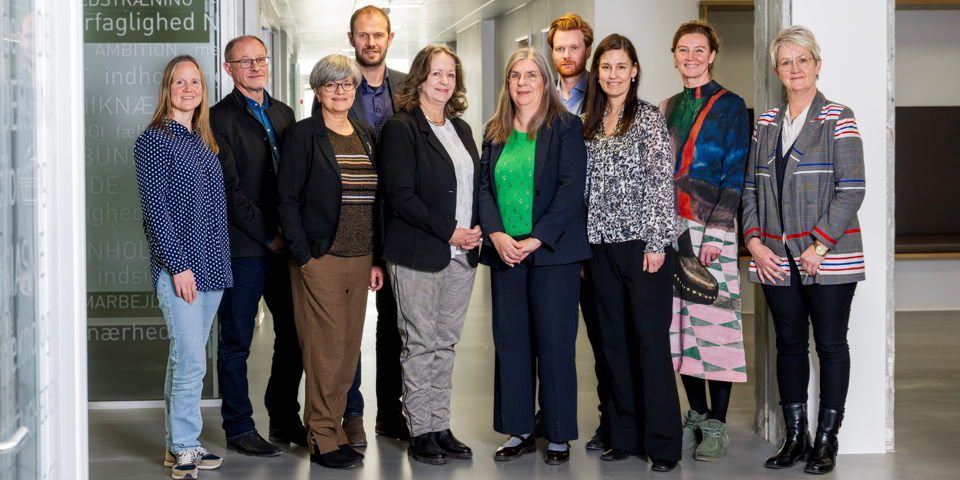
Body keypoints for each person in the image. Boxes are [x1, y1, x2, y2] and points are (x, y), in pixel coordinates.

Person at [743, 25, 865, 475]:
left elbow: (852, 189)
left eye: (803, 60)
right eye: (786, 62)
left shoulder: (838, 116)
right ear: (777, 69)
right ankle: (796, 437)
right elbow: (749, 189)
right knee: (789, 345)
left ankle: (827, 441)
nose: (795, 69)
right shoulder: (767, 123)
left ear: (817, 64)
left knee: (831, 346)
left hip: (827, 257)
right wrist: (753, 241)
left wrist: (820, 245)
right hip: (774, 257)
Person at [480, 47, 591, 466]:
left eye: (531, 75)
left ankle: (558, 434)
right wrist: (496, 234)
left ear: (545, 80)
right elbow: (484, 190)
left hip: (553, 253)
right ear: (507, 83)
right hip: (506, 250)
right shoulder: (494, 129)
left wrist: (537, 238)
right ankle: (520, 429)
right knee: (510, 341)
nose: (522, 83)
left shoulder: (565, 127)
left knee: (555, 342)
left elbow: (569, 189)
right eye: (514, 76)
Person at [276, 54, 385, 470]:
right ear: (318, 91)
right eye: (331, 85)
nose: (340, 91)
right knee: (324, 351)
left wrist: (375, 257)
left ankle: (334, 427)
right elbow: (286, 197)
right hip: (320, 257)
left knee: (347, 351)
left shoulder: (364, 133)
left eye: (347, 84)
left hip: (360, 259)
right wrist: (302, 253)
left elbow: (374, 199)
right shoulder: (303, 135)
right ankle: (321, 437)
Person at [580, 34, 681, 473]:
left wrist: (657, 242)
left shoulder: (648, 118)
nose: (613, 74)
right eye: (605, 67)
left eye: (621, 66)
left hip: (645, 250)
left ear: (634, 70)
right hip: (599, 249)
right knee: (613, 347)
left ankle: (662, 444)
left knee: (650, 345)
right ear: (597, 73)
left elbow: (662, 183)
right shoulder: (588, 122)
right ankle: (622, 436)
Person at [378, 45, 481, 466]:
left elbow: (473, 187)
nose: (444, 82)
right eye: (436, 74)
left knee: (446, 343)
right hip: (419, 252)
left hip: (462, 256)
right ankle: (420, 429)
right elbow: (400, 196)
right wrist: (449, 230)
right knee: (419, 343)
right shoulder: (400, 128)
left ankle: (440, 424)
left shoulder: (461, 128)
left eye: (451, 75)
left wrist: (473, 230)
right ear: (419, 78)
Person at [312, 5, 410, 444]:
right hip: (349, 223)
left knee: (393, 323)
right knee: (344, 327)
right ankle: (349, 413)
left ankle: (391, 412)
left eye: (379, 34)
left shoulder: (409, 88)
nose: (371, 42)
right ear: (351, 38)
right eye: (363, 35)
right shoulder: (338, 86)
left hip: (401, 223)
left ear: (390, 37)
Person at [659, 20, 751, 462]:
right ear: (674, 55)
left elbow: (734, 172)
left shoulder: (732, 106)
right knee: (680, 331)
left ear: (712, 55)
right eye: (683, 50)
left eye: (699, 50)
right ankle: (694, 414)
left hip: (714, 231)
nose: (691, 57)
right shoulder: (667, 106)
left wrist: (717, 231)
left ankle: (717, 424)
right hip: (674, 231)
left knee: (715, 329)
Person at [134, 55, 230, 480]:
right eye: (179, 82)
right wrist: (178, 266)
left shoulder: (203, 141)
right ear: (167, 89)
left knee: (186, 358)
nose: (188, 89)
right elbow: (156, 212)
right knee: (191, 359)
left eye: (195, 82)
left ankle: (179, 446)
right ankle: (186, 445)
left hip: (212, 268)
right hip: (183, 270)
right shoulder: (153, 140)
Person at [209, 35, 302, 457]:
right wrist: (270, 235)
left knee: (295, 336)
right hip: (245, 250)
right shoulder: (216, 118)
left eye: (260, 59)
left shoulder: (284, 113)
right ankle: (239, 427)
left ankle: (283, 418)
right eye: (244, 62)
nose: (255, 67)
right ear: (229, 69)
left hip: (286, 250)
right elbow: (228, 192)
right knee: (236, 344)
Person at [545, 12, 611, 452]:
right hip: (553, 238)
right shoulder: (540, 94)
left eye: (574, 47)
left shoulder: (603, 97)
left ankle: (613, 419)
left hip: (595, 236)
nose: (566, 55)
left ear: (587, 49)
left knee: (603, 335)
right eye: (559, 48)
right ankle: (547, 415)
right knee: (550, 334)